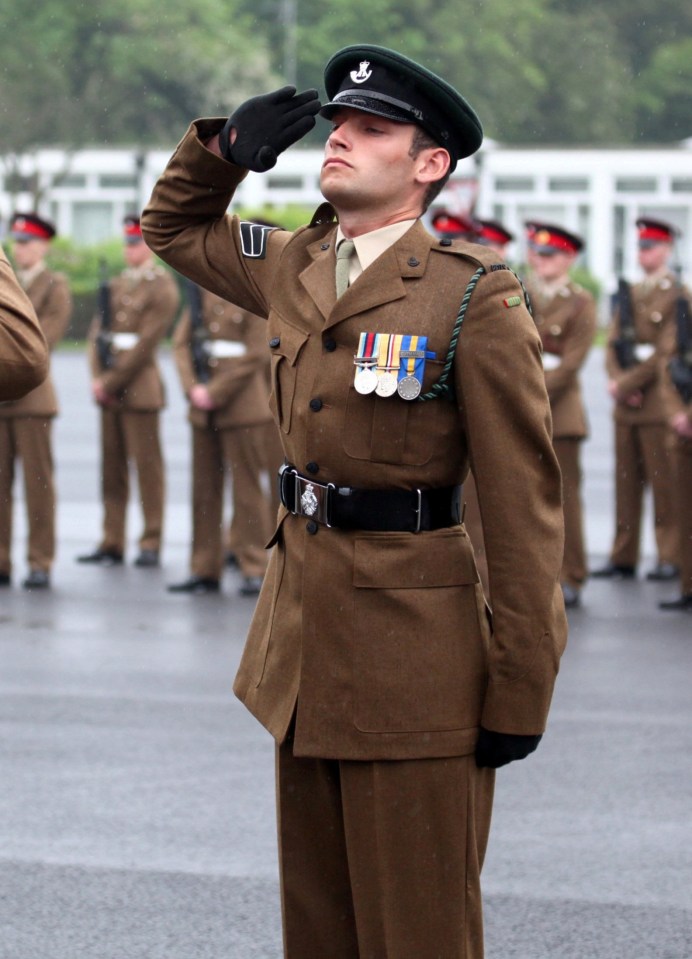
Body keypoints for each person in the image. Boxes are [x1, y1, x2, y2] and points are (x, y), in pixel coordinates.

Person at [142, 44, 568, 958]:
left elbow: (523, 512)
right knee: (321, 929)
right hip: (300, 653)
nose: (340, 137)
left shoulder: (470, 299)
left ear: (428, 166)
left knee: (418, 932)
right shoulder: (297, 261)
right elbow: (172, 228)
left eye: (372, 129)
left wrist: (520, 688)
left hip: (418, 667)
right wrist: (222, 152)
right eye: (338, 124)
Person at [77, 216, 179, 568]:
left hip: (139, 389)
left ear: (148, 246)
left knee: (148, 470)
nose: (130, 250)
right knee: (112, 470)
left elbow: (147, 343)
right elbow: (95, 334)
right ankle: (112, 539)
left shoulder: (162, 286)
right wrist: (96, 376)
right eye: (127, 244)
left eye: (135, 243)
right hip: (109, 389)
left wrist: (108, 382)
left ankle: (151, 540)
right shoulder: (117, 284)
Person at [167, 285, 275, 595]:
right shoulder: (200, 293)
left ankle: (254, 566)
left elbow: (257, 352)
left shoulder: (253, 293)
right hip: (203, 410)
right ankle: (204, 568)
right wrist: (192, 389)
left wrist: (214, 392)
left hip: (242, 408)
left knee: (247, 491)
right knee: (204, 493)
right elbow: (180, 344)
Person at [592, 218, 681, 582]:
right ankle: (623, 555)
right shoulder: (628, 291)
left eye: (652, 247)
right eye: (641, 247)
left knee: (664, 487)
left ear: (667, 250)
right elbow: (613, 342)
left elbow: (667, 352)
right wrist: (616, 380)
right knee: (625, 485)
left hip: (657, 402)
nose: (645, 253)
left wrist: (627, 382)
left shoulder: (677, 295)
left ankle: (669, 555)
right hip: (625, 406)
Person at [524, 222, 596, 608]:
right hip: (523, 409)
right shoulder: (521, 293)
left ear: (569, 258)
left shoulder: (581, 302)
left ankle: (572, 575)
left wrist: (527, 390)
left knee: (565, 500)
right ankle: (537, 576)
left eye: (550, 254)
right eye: (537, 252)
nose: (541, 260)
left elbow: (571, 365)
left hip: (561, 414)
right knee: (524, 500)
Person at [0, 213, 71, 589]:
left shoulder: (53, 286)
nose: (20, 249)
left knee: (37, 484)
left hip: (33, 399)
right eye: (16, 241)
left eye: (27, 242)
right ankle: (1, 559)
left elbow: (40, 344)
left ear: (42, 245)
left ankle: (40, 559)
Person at [658, 287, 692, 611]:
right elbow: (667, 363)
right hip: (684, 430)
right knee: (685, 511)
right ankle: (688, 586)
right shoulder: (685, 305)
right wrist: (677, 414)